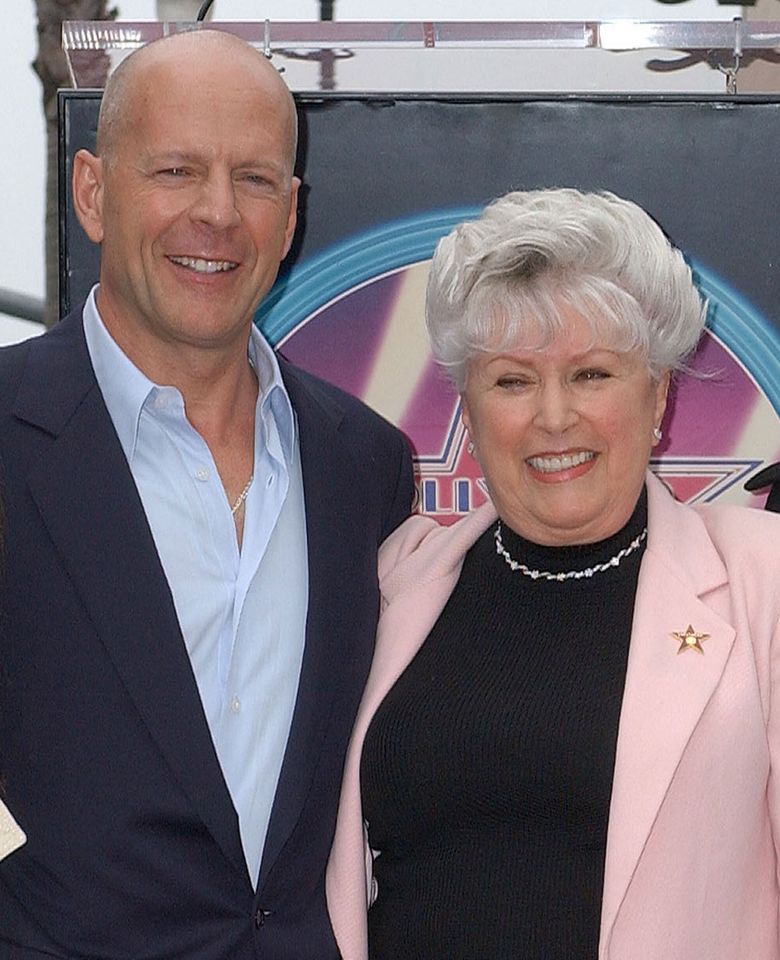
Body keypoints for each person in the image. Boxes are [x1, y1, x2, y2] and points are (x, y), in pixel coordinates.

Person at [0, 29, 412, 960]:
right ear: (92, 193)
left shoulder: (364, 464)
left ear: (291, 214)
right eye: (177, 171)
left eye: (254, 179)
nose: (218, 214)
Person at [326, 188, 780, 960]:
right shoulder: (394, 578)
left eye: (592, 374)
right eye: (512, 381)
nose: (555, 416)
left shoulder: (762, 579)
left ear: (658, 393)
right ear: (468, 408)